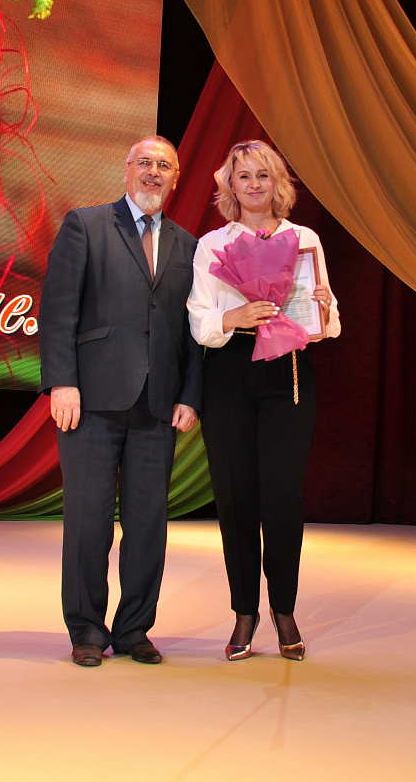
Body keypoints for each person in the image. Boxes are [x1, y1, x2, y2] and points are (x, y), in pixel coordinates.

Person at [38, 135, 202, 667]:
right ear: (126, 170)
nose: (153, 172)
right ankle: (86, 629)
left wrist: (190, 395)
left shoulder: (189, 245)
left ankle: (134, 630)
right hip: (91, 401)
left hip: (158, 405)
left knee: (148, 524)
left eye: (164, 165)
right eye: (144, 163)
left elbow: (194, 331)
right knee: (88, 523)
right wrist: (62, 383)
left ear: (176, 177)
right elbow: (58, 311)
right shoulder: (85, 226)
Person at [188, 140, 340, 661]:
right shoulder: (212, 244)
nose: (254, 185)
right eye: (244, 176)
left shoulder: (304, 239)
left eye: (263, 175)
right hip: (229, 370)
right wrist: (233, 317)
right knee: (234, 498)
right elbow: (199, 318)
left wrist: (324, 309)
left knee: (282, 497)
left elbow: (326, 324)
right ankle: (244, 612)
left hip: (287, 373)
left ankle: (284, 609)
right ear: (229, 185)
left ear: (278, 183)